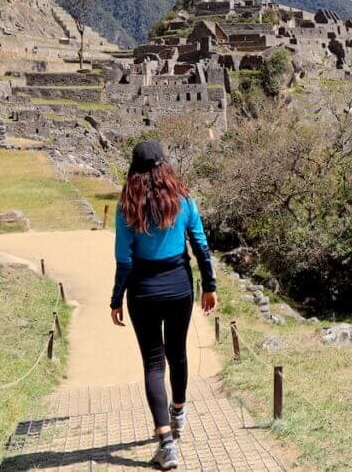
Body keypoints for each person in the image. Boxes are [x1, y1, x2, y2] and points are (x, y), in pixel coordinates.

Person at [111, 140, 217, 470]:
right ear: (164, 165)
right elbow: (200, 244)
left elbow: (124, 259)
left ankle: (166, 444)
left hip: (142, 290)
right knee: (178, 352)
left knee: (154, 364)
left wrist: (116, 297)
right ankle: (179, 414)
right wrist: (209, 286)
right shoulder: (183, 200)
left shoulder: (127, 206)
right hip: (178, 286)